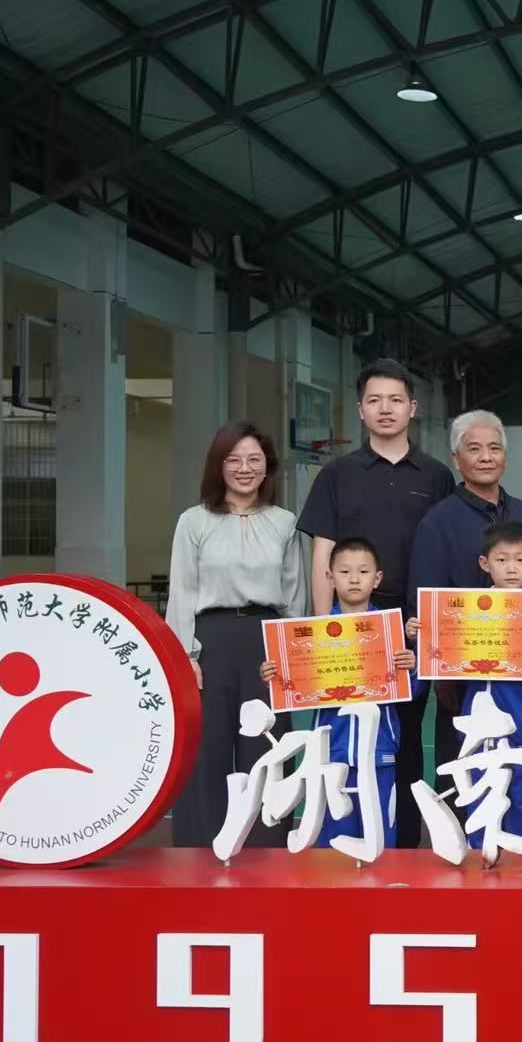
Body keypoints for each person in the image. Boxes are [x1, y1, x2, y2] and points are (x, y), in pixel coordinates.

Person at [297, 360, 453, 848]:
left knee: (405, 736)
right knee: (343, 734)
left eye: (395, 400)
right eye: (375, 400)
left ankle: (402, 845)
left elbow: (444, 549)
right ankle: (343, 840)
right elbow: (323, 549)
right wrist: (324, 627)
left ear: (413, 408)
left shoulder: (436, 476)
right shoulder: (337, 474)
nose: (386, 409)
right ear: (361, 410)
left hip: (410, 628)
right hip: (350, 624)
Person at [165, 422, 308, 848]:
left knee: (268, 745)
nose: (244, 469)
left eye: (254, 460)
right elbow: (182, 591)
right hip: (210, 640)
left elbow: (294, 594)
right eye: (234, 460)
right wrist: (186, 656)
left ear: (268, 466)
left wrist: (291, 654)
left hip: (267, 642)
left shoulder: (284, 523)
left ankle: (268, 845)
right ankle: (197, 846)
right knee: (206, 747)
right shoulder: (193, 521)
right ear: (218, 466)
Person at [258, 536, 421, 847]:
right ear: (330, 578)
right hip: (330, 752)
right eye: (345, 572)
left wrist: (412, 668)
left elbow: (410, 691)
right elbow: (293, 687)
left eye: (363, 571)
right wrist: (274, 676)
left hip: (379, 752)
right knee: (332, 841)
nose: (354, 579)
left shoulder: (390, 632)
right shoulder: (309, 638)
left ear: (377, 579)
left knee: (379, 837)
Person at [408, 410, 522, 774]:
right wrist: (442, 677)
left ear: (505, 457)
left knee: (520, 774)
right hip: (463, 681)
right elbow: (424, 600)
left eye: (494, 448)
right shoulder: (437, 522)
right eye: (474, 449)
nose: (486, 457)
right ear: (457, 459)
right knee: (463, 775)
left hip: (520, 677)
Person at [453, 522, 522, 843]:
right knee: (482, 812)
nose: (511, 568)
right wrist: (425, 632)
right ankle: (483, 868)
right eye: (502, 560)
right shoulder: (463, 614)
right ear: (485, 563)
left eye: (520, 559)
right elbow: (443, 659)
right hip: (480, 734)